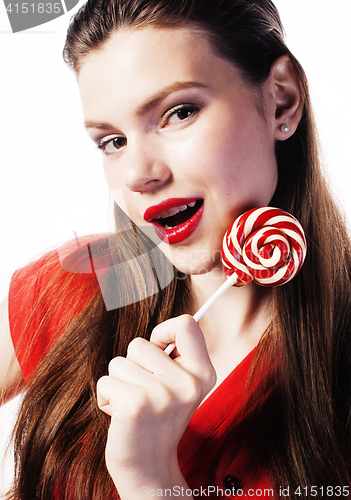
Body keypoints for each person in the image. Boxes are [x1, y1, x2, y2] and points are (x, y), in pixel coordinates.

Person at [1, 0, 351, 498]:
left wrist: (151, 479)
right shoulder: (86, 279)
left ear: (281, 99)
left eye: (178, 113)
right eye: (112, 141)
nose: (138, 174)